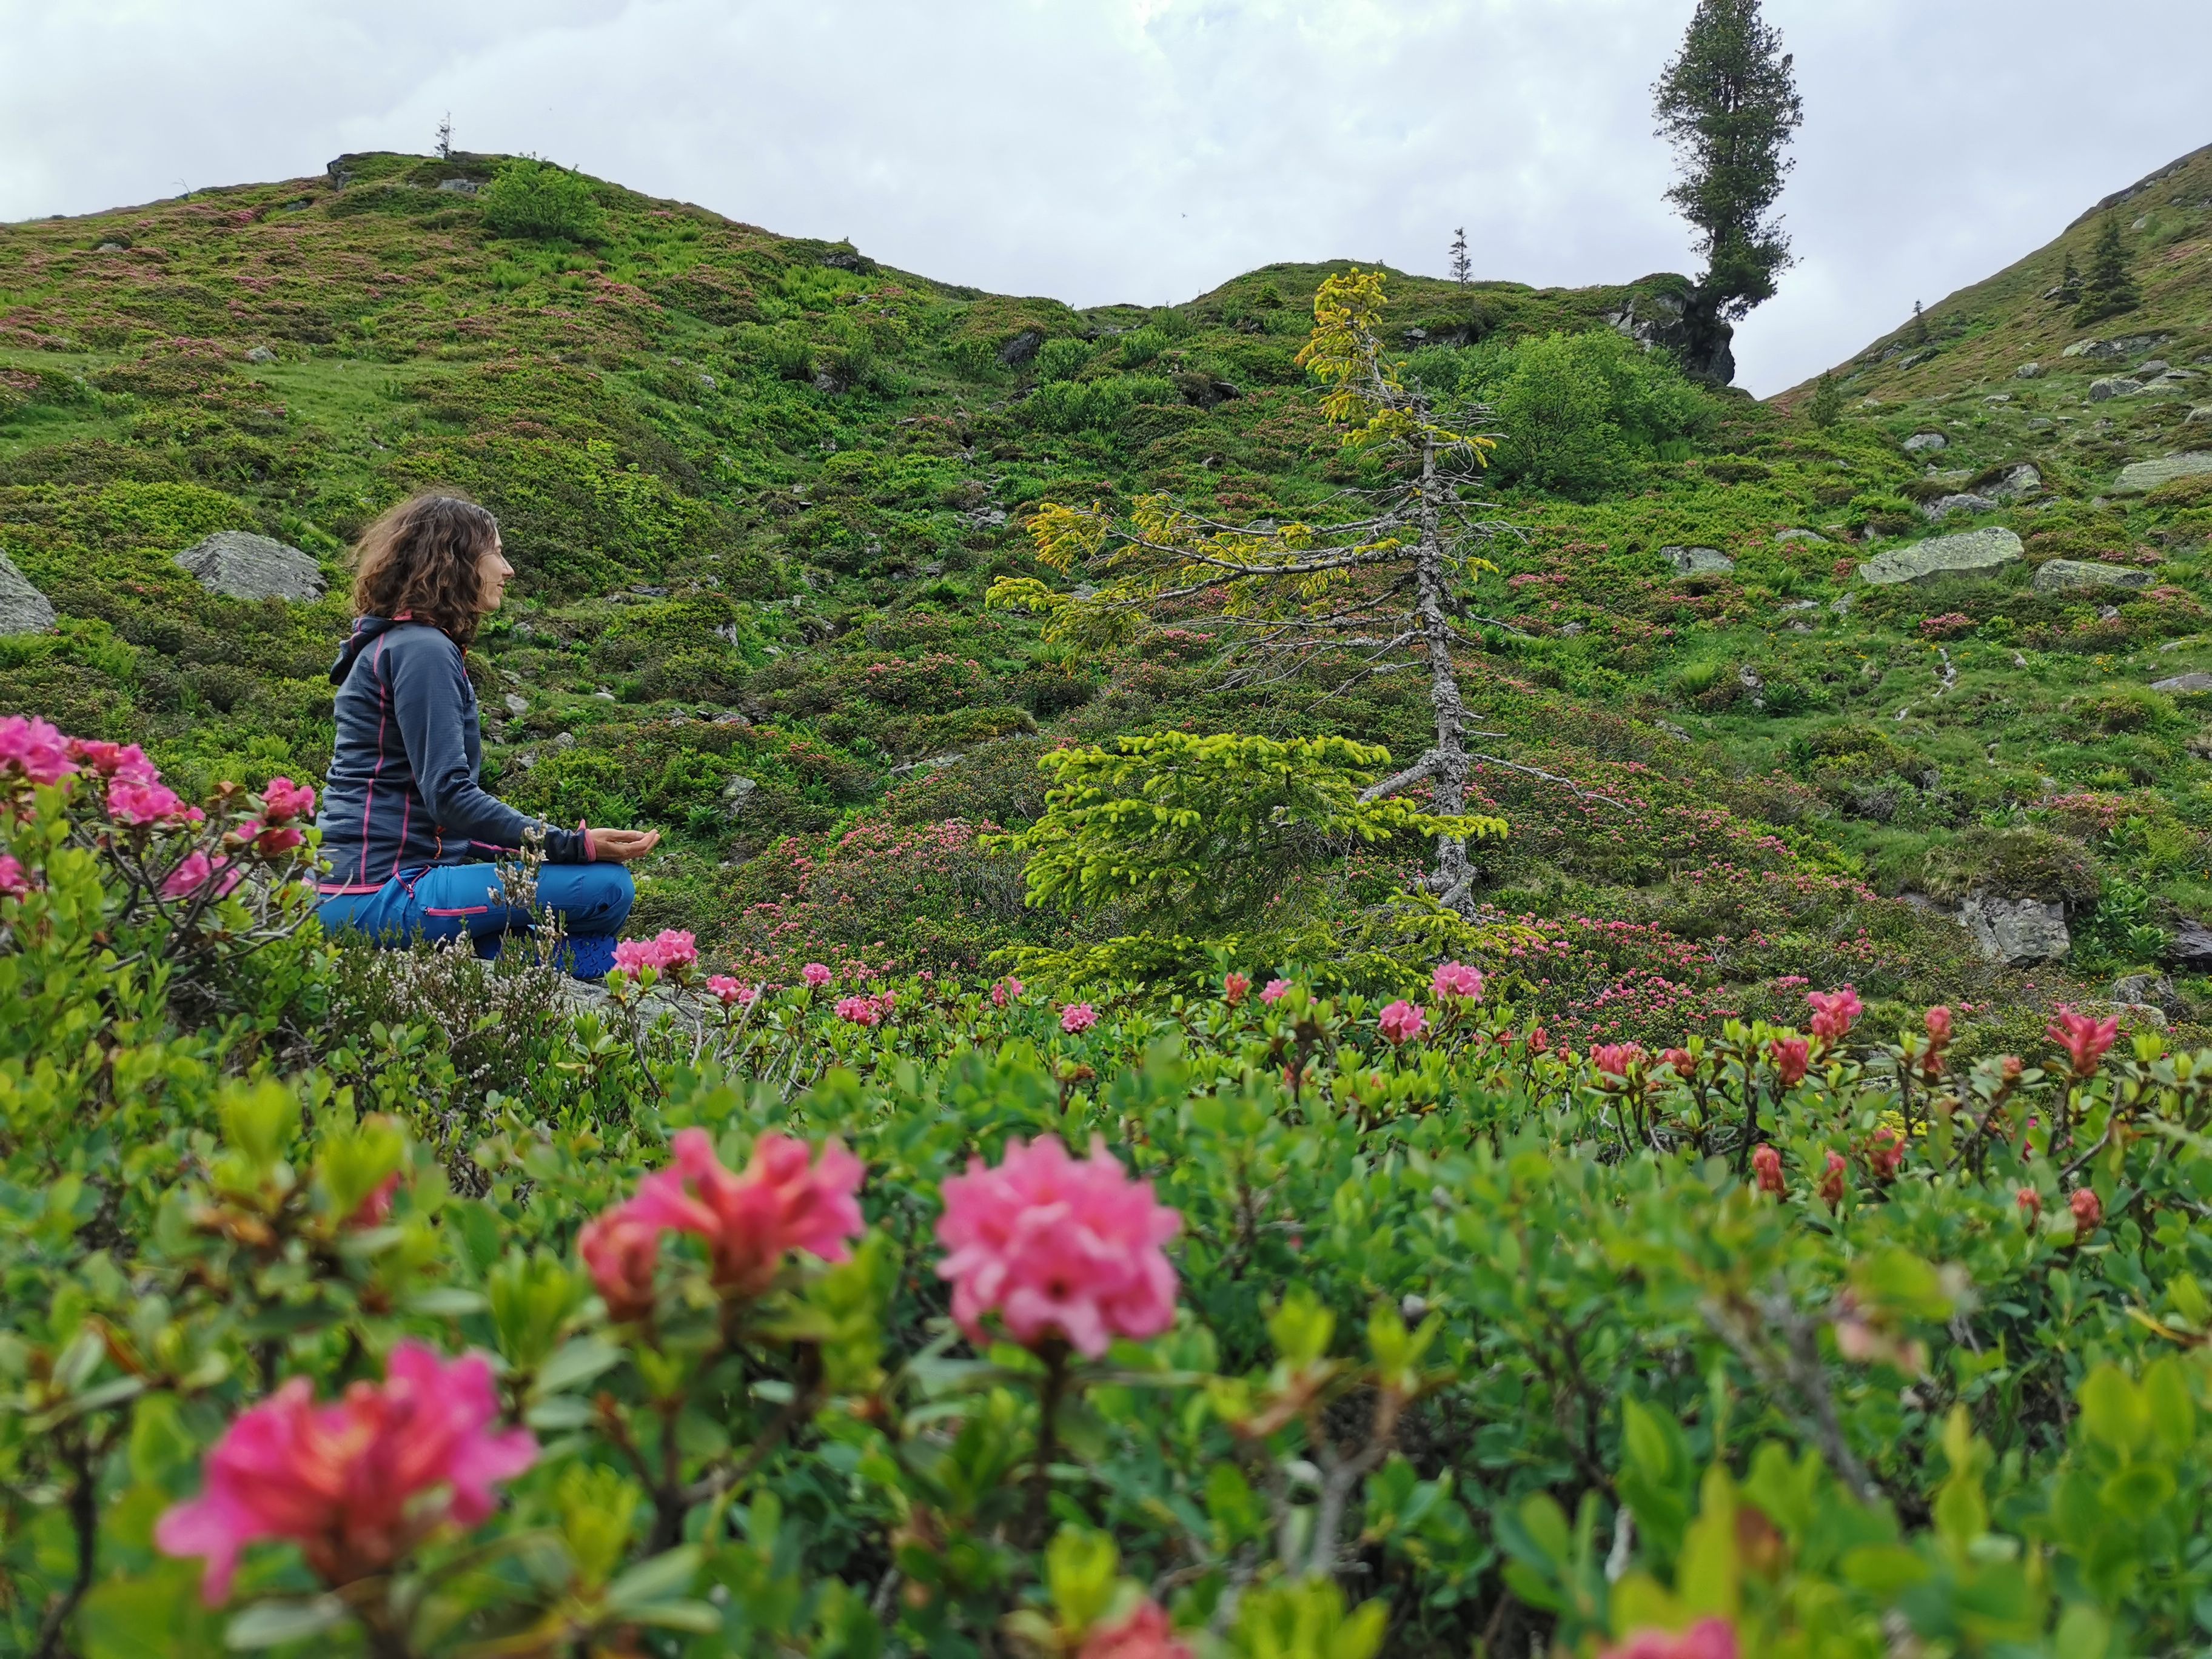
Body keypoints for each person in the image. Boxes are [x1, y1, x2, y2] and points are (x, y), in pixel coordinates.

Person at [313, 492, 659, 977]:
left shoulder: (406, 644)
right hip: (379, 893)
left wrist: (562, 844)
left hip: (370, 886)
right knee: (608, 889)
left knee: (601, 899)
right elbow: (450, 797)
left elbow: (442, 819)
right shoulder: (422, 651)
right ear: (454, 560)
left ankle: (510, 955)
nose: (508, 569)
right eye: (495, 552)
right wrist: (568, 846)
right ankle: (553, 965)